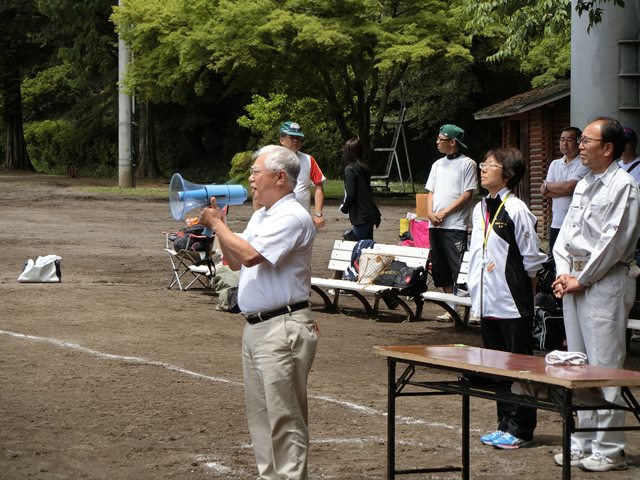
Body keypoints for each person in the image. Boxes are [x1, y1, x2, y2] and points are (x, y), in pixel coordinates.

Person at [200, 145, 318, 480]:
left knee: (285, 418)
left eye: (256, 171)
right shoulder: (263, 213)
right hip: (258, 326)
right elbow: (235, 261)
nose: (250, 178)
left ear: (280, 177)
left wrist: (218, 227)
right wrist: (221, 227)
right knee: (262, 418)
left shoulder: (293, 215)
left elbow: (251, 256)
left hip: (281, 326)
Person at [552, 117, 640, 472]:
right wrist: (561, 271)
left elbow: (615, 240)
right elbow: (565, 235)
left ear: (608, 148)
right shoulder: (586, 184)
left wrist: (583, 278)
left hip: (604, 281)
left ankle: (611, 446)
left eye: (587, 141)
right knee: (578, 364)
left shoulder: (624, 186)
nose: (580, 145)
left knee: (604, 367)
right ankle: (583, 441)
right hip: (574, 277)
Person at [467, 147, 547, 450]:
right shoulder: (479, 208)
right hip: (488, 302)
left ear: (508, 174)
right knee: (496, 367)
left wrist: (526, 300)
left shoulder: (517, 210)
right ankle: (504, 423)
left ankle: (522, 428)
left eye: (491, 165)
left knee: (519, 368)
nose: (484, 168)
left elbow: (531, 260)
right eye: (483, 163)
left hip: (513, 303)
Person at [424, 124, 478, 322]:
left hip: (455, 225)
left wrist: (444, 213)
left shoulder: (468, 164)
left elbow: (467, 194)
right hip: (435, 225)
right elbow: (430, 192)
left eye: (441, 139)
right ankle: (450, 307)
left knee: (460, 269)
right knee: (441, 268)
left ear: (453, 142)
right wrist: (430, 213)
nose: (437, 142)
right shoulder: (437, 165)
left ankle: (473, 310)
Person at [541, 127, 590, 254]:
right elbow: (544, 192)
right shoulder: (555, 164)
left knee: (572, 262)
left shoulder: (583, 163)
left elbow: (569, 187)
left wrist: (549, 186)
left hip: (576, 225)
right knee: (554, 262)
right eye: (562, 140)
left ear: (578, 142)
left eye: (569, 140)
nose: (564, 143)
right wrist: (560, 188)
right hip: (556, 223)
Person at [279, 120, 326, 229]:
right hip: (278, 220)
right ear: (282, 140)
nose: (296, 140)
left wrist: (318, 214)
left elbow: (319, 187)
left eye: (298, 137)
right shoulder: (272, 160)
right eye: (291, 137)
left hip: (302, 220)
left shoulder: (309, 160)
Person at [339, 138, 381, 240]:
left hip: (361, 215)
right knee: (367, 247)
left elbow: (351, 193)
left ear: (347, 153)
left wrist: (344, 208)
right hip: (371, 213)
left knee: (353, 245)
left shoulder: (350, 169)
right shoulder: (364, 168)